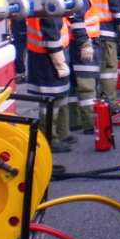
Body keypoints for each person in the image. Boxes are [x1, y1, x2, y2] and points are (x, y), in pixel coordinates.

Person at [26, 15, 76, 153]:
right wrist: (59, 63)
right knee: (51, 100)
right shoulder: (49, 5)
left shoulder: (47, 0)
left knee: (61, 95)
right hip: (48, 58)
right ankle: (49, 139)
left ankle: (62, 133)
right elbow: (52, 37)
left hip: (50, 54)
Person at [67, 0, 103, 135]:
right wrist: (85, 44)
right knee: (87, 86)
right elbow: (78, 22)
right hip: (82, 46)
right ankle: (90, 124)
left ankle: (74, 122)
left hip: (73, 46)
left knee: (74, 87)